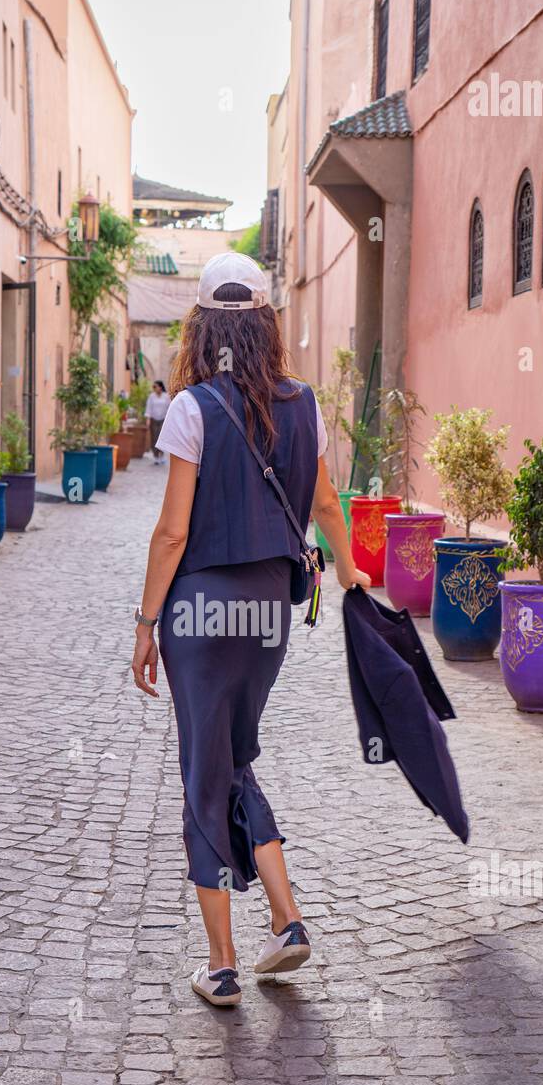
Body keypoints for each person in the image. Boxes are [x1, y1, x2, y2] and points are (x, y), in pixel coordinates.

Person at [131, 252, 370, 1008]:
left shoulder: (193, 408)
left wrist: (144, 624)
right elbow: (328, 506)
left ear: (202, 328)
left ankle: (223, 966)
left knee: (205, 772)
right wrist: (352, 572)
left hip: (200, 613)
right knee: (233, 758)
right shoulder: (307, 406)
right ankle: (287, 921)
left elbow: (172, 534)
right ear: (267, 322)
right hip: (270, 609)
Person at [145, 380, 170, 463]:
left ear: (160, 387)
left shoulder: (166, 396)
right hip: (154, 420)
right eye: (153, 387)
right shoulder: (151, 396)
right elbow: (149, 408)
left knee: (162, 438)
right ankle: (156, 456)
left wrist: (169, 420)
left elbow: (169, 408)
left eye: (155, 386)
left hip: (163, 420)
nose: (154, 388)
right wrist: (148, 419)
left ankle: (162, 455)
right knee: (154, 438)